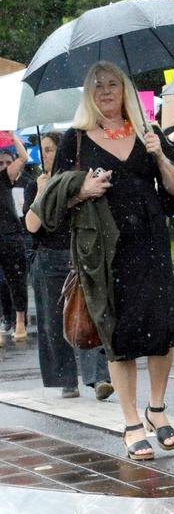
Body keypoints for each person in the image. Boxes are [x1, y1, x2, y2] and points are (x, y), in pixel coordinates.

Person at [50, 61, 174, 461]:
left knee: (162, 329)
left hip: (152, 244)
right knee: (118, 334)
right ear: (88, 95)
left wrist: (160, 156)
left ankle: (156, 408)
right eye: (98, 86)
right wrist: (82, 190)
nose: (106, 91)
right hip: (105, 253)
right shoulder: (75, 142)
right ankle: (130, 421)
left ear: (124, 90)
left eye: (113, 84)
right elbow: (53, 205)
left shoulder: (150, 133)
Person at [23, 132, 112, 399]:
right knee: (53, 320)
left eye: (52, 149)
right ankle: (66, 379)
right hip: (49, 257)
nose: (48, 154)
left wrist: (70, 195)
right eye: (45, 150)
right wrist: (43, 193)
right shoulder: (35, 185)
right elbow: (32, 225)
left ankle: (98, 378)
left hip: (79, 254)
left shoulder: (78, 180)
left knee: (90, 313)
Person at [0, 138, 30, 340]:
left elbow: (24, 157)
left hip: (9, 234)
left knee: (16, 280)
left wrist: (12, 135)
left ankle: (20, 320)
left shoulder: (3, 178)